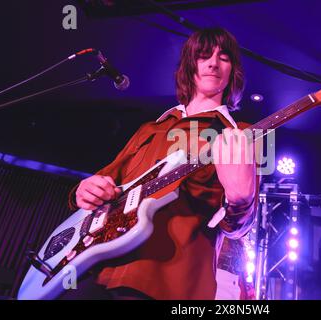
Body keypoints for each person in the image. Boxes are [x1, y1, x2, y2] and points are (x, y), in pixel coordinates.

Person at [63, 27, 258, 300]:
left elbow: (238, 228)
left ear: (232, 71)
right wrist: (85, 189)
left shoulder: (243, 134)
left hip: (163, 282)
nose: (213, 62)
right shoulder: (149, 129)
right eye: (204, 55)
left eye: (223, 57)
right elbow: (104, 179)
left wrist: (242, 200)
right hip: (97, 269)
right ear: (189, 66)